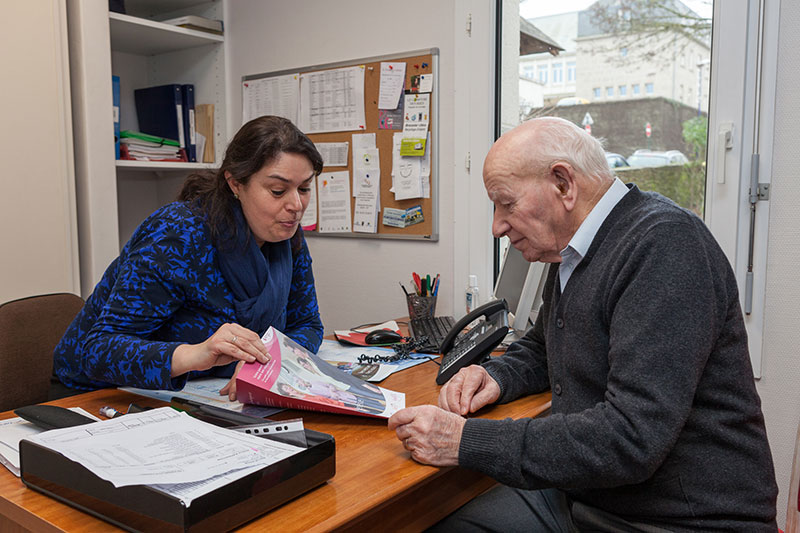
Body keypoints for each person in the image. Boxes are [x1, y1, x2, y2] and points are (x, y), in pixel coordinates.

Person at [388, 117, 778, 531]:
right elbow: (543, 344)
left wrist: (465, 441)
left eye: (506, 203)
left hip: (684, 519)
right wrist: (496, 376)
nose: (497, 226)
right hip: (597, 497)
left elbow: (630, 438)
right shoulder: (574, 252)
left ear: (563, 183)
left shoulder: (664, 245)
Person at [54, 116, 324, 400]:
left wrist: (269, 360)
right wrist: (197, 353)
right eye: (278, 191)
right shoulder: (177, 233)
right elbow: (97, 351)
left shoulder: (285, 234)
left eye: (304, 188)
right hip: (97, 396)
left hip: (200, 394)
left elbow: (307, 323)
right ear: (235, 184)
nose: (296, 205)